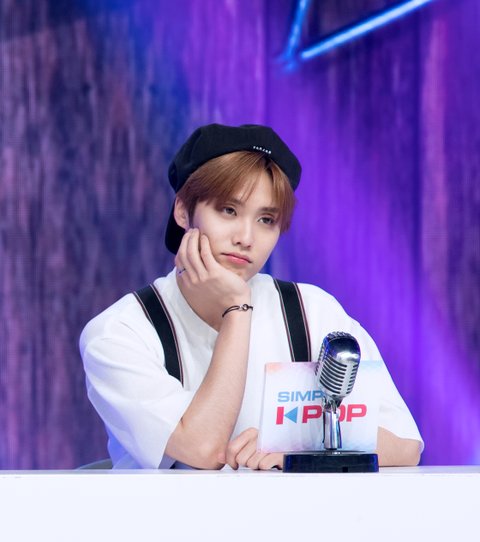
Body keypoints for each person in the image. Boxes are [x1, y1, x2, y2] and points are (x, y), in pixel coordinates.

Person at [80, 123, 423, 470]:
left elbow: (405, 445)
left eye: (266, 219)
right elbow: (203, 449)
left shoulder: (312, 311)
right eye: (228, 210)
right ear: (182, 210)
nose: (246, 238)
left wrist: (297, 445)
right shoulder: (119, 332)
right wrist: (237, 310)